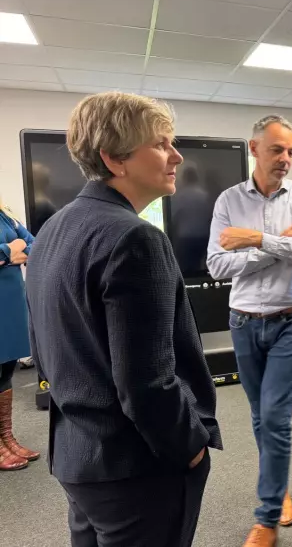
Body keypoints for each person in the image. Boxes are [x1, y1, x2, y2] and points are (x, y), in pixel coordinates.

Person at [25, 91, 223, 547]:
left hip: (77, 456)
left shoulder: (52, 228)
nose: (177, 156)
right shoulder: (135, 238)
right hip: (136, 467)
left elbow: (47, 350)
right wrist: (189, 446)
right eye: (161, 144)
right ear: (115, 159)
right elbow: (147, 382)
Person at [207, 114, 292, 547]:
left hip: (291, 317)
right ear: (254, 149)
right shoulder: (228, 201)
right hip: (243, 319)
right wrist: (279, 246)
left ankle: (267, 517)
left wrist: (256, 240)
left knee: (275, 418)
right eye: (277, 149)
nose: (286, 159)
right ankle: (278, 483)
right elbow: (218, 265)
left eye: (291, 151)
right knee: (261, 416)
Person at [0, 199, 39, 471]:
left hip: (10, 303)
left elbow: (33, 243)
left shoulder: (4, 213)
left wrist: (13, 252)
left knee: (6, 369)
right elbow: (16, 247)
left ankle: (6, 438)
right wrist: (7, 251)